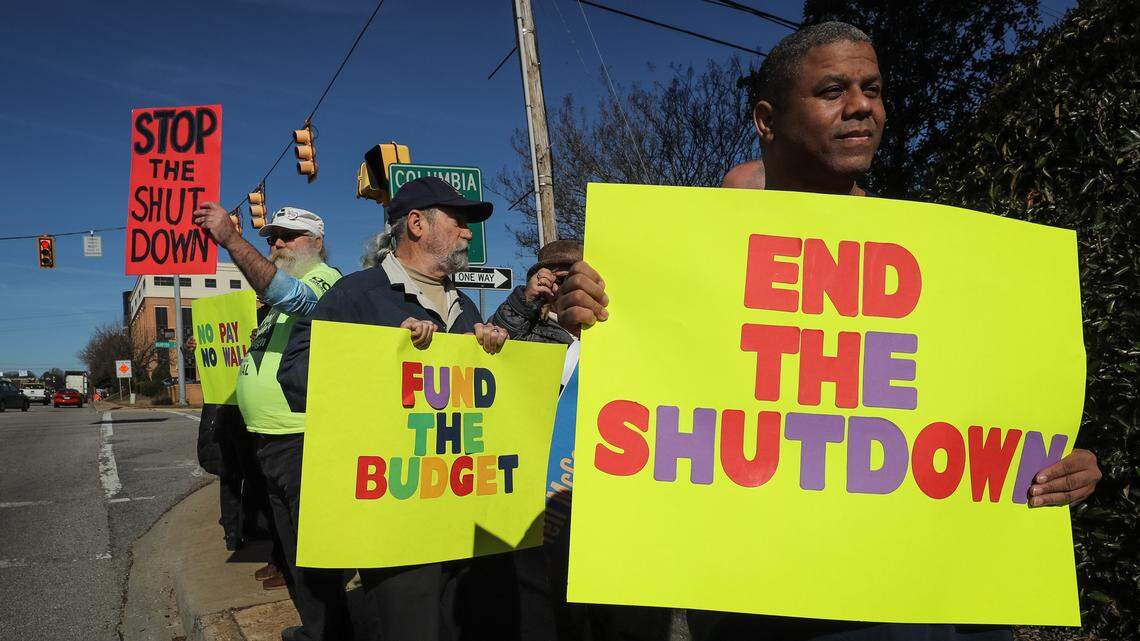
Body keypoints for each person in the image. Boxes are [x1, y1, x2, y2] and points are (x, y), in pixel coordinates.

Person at [553, 21, 1103, 641]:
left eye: (872, 88)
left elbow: (991, 419)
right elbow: (661, 423)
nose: (862, 105)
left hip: (935, 609)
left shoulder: (952, 267)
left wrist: (1064, 465)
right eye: (833, 90)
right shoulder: (680, 271)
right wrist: (602, 319)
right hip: (760, 606)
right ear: (767, 121)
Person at [276, 176, 510, 641]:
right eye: (459, 221)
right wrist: (381, 354)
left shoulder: (462, 304)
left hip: (463, 516)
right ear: (417, 224)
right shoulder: (354, 295)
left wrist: (494, 352)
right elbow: (295, 379)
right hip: (394, 526)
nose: (468, 233)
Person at [193, 202, 343, 639]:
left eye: (287, 236)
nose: (277, 243)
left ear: (316, 241)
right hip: (272, 441)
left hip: (302, 440)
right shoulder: (280, 296)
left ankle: (331, 632)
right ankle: (318, 628)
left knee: (313, 556)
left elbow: (293, 297)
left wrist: (231, 239)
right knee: (294, 550)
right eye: (272, 237)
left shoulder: (324, 282)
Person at [490, 239, 581, 345]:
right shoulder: (528, 326)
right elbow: (499, 337)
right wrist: (525, 300)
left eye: (564, 279)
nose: (556, 288)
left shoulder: (601, 320)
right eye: (549, 281)